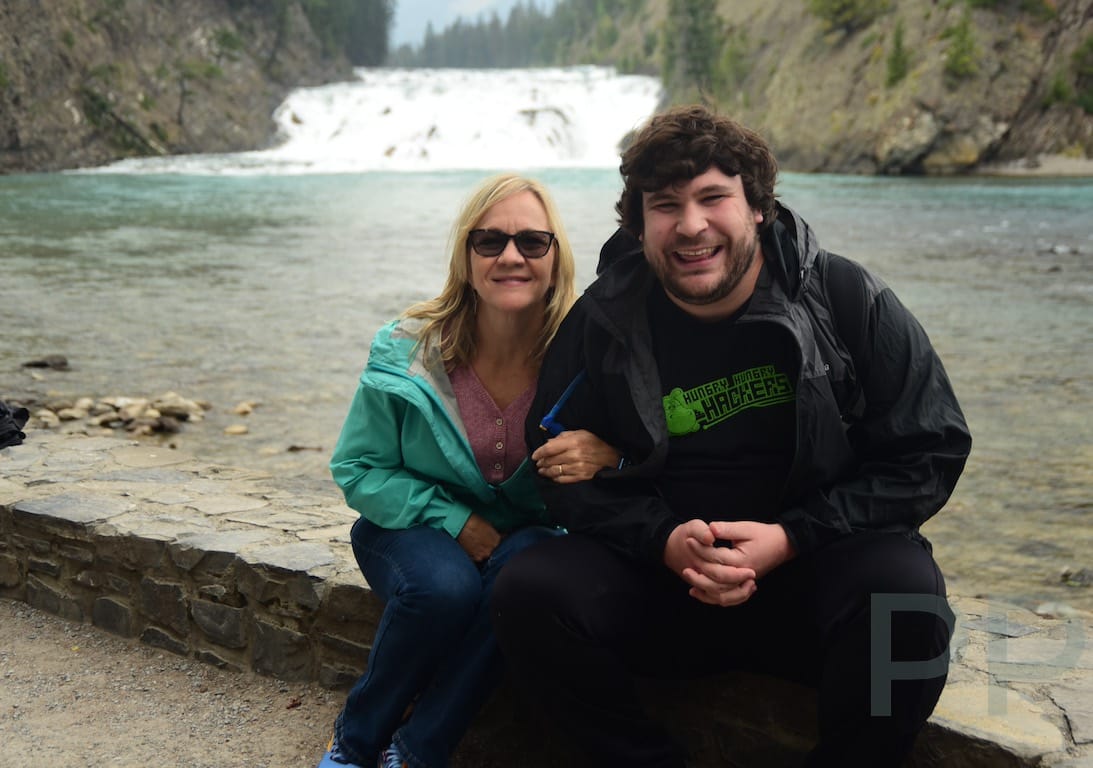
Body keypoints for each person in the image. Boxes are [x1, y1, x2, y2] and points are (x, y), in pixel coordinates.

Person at [491, 105, 973, 768]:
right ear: (638, 224)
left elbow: (930, 448)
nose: (690, 226)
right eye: (665, 205)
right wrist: (660, 538)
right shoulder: (603, 320)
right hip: (663, 586)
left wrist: (790, 537)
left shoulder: (841, 296)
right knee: (527, 591)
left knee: (907, 606)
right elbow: (559, 475)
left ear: (756, 208)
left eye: (713, 197)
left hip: (811, 580)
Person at [320, 173, 621, 768]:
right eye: (490, 241)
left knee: (520, 588)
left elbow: (646, 456)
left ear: (556, 257)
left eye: (533, 242)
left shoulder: (588, 359)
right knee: (444, 590)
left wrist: (610, 456)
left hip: (528, 540)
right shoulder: (408, 350)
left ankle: (413, 753)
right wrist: (454, 521)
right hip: (408, 527)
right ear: (466, 255)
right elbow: (357, 467)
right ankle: (354, 745)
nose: (511, 256)